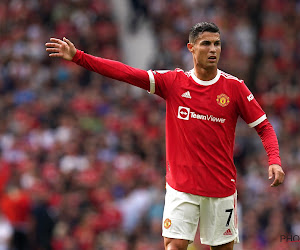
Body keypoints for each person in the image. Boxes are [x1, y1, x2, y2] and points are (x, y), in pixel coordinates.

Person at [45, 22, 285, 250]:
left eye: (217, 44)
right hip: (181, 186)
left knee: (221, 248)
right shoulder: (174, 82)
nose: (213, 49)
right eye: (206, 44)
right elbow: (126, 73)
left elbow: (264, 126)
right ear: (191, 48)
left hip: (221, 188)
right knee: (174, 245)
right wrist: (79, 56)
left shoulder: (234, 88)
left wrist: (274, 160)